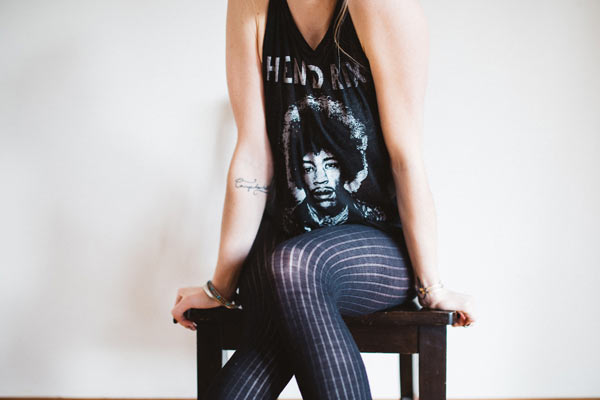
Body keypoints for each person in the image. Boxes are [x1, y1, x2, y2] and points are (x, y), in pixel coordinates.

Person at [172, 0, 477, 399]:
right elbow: (253, 153)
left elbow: (405, 159)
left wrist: (431, 286)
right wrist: (220, 288)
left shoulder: (382, 7)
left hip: (373, 245)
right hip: (284, 234)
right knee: (279, 280)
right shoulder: (251, 5)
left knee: (295, 268)